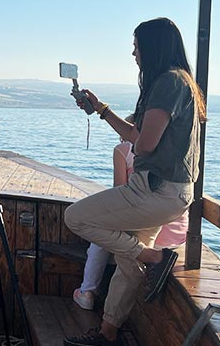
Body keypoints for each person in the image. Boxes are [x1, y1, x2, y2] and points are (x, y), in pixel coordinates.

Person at [63, 17, 206, 346]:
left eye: (137, 46)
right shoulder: (179, 82)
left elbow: (143, 144)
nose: (133, 53)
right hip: (170, 193)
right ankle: (107, 332)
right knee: (128, 259)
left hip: (153, 190)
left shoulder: (168, 83)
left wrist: (140, 140)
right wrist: (100, 109)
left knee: (76, 217)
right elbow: (134, 135)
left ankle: (155, 257)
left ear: (153, 47)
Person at [72, 116, 189, 311]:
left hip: (148, 227)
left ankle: (87, 291)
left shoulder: (123, 150)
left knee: (97, 238)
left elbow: (119, 190)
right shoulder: (169, 153)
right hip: (176, 235)